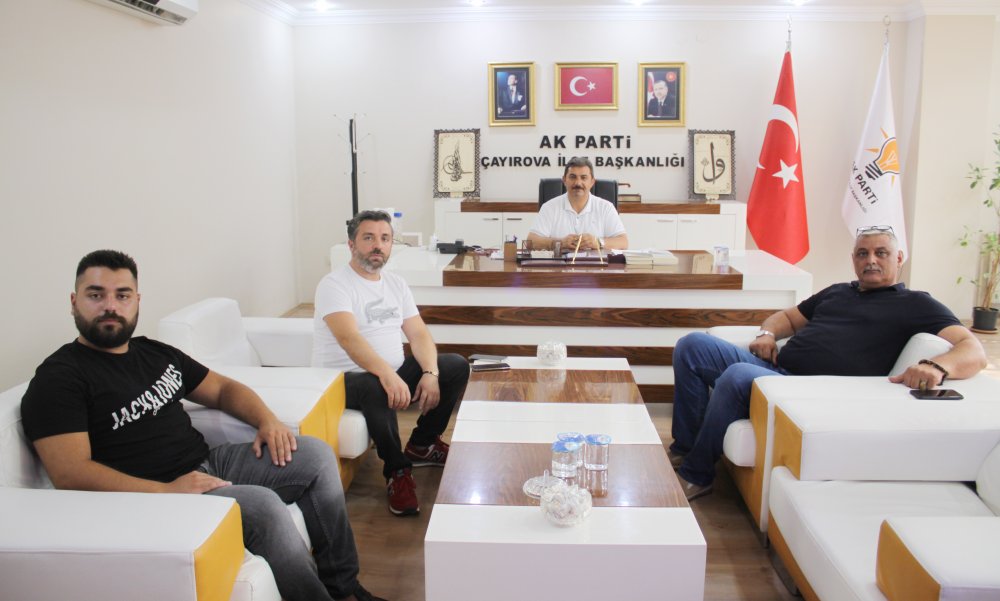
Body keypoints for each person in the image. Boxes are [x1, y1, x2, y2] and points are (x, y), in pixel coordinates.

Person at [19, 250, 387, 601]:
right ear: (74, 301)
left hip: (210, 462)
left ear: (137, 301)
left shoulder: (153, 352)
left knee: (316, 455)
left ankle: (343, 587)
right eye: (96, 295)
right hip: (154, 494)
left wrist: (267, 420)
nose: (110, 306)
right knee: (263, 505)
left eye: (122, 295)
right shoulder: (60, 378)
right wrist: (165, 492)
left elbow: (223, 389)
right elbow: (71, 472)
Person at [670, 226, 987, 501]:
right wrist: (767, 334)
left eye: (881, 253)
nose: (871, 260)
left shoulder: (916, 304)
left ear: (899, 258)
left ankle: (697, 474)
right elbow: (787, 317)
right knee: (692, 345)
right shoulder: (837, 291)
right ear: (854, 260)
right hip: (776, 368)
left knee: (738, 373)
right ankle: (685, 448)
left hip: (811, 389)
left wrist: (936, 367)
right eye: (862, 253)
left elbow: (973, 349)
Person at [312, 210, 469, 516]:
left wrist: (430, 372)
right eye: (369, 238)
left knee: (454, 365)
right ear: (351, 244)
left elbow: (418, 333)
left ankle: (423, 444)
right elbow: (349, 339)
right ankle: (397, 471)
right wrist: (387, 375)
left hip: (388, 373)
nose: (378, 245)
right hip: (343, 381)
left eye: (385, 239)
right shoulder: (334, 285)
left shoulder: (396, 284)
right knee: (374, 384)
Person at [527, 156, 629, 251]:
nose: (578, 183)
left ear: (592, 182)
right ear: (564, 180)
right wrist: (559, 243)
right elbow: (530, 242)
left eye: (583, 178)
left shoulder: (606, 207)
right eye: (573, 177)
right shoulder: (549, 207)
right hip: (560, 264)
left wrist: (598, 242)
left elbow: (623, 242)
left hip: (596, 264)